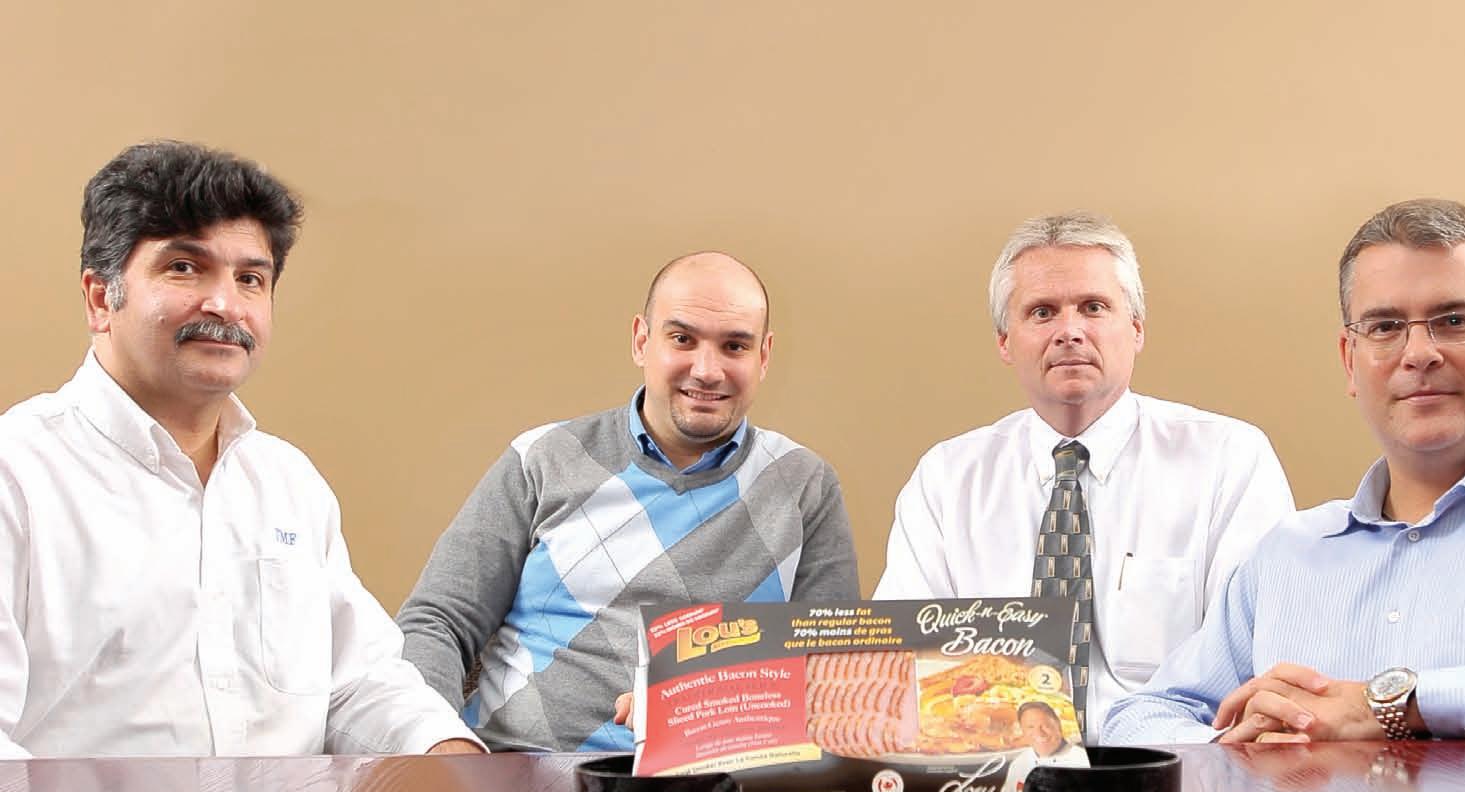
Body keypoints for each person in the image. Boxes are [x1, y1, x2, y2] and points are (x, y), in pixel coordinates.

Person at [1103, 198, 1465, 750]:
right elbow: (1142, 716)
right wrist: (1232, 748)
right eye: (1385, 326)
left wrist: (1394, 704)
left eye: (1454, 321)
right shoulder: (1286, 556)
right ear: (1350, 360)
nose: (1418, 353)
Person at [0, 142, 482, 759]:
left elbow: (359, 685)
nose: (225, 305)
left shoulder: (287, 483)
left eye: (251, 279)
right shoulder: (19, 476)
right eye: (184, 268)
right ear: (101, 299)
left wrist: (452, 762)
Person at [397, 251, 859, 751]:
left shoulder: (805, 485)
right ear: (641, 340)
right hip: (514, 772)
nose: (707, 370)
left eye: (734, 346)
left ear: (763, 357)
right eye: (682, 339)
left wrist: (698, 709)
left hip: (711, 781)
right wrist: (438, 749)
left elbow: (832, 675)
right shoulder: (543, 458)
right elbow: (436, 622)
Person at [874, 212, 1294, 738]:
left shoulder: (1229, 460)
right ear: (1005, 341)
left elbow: (1257, 663)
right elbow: (904, 671)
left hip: (1178, 766)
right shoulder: (947, 480)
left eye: (1093, 307)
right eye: (1042, 312)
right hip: (988, 770)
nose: (1069, 331)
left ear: (1136, 329)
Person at [997, 696, 1091, 792]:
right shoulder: (1018, 764)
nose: (1039, 733)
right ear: (1023, 731)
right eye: (1030, 727)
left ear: (1058, 725)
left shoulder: (1082, 761)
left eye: (1045, 726)